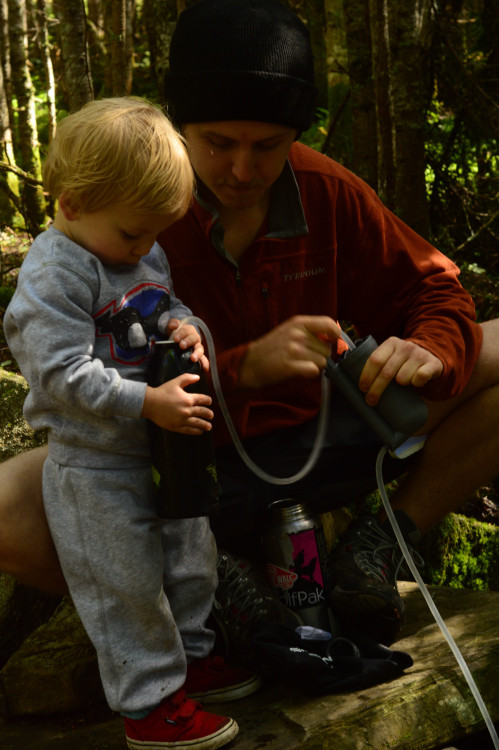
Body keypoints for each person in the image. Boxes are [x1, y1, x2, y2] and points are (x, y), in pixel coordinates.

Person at [1, 0, 499, 654]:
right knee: (7, 505)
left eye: (267, 146)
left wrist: (427, 351)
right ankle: (215, 591)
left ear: (295, 133)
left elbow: (430, 285)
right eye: (217, 144)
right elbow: (83, 378)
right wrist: (239, 368)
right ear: (180, 127)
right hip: (183, 463)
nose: (242, 171)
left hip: (322, 435)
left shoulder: (325, 190)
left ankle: (378, 544)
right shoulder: (125, 212)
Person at [3, 97, 260, 750]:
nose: (143, 250)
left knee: (190, 559)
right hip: (95, 466)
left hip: (165, 447)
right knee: (125, 583)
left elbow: (166, 302)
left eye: (154, 237)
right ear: (70, 204)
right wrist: (146, 403)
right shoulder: (53, 276)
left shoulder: (134, 246)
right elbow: (58, 373)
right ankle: (150, 705)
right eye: (131, 236)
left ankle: (193, 660)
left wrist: (186, 328)